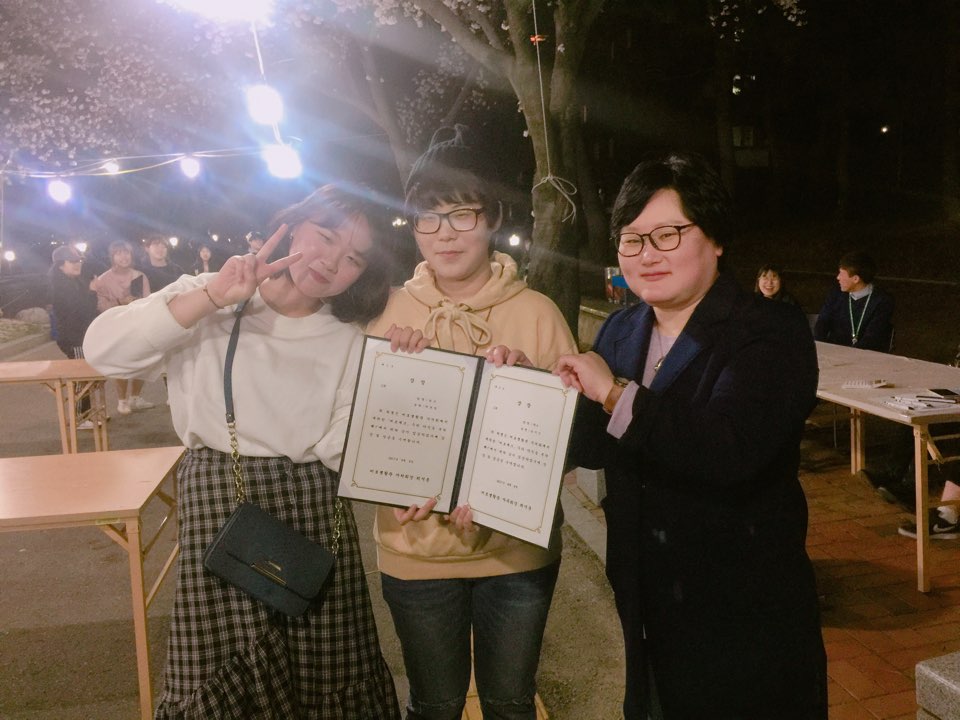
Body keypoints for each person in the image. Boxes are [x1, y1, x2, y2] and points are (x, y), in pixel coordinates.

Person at [83, 184, 402, 719]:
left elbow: (343, 444)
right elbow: (104, 353)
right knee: (220, 667)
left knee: (326, 671)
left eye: (353, 259)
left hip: (314, 508)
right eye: (325, 237)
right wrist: (212, 297)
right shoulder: (210, 294)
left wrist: (407, 479)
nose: (331, 262)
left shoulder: (349, 335)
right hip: (220, 505)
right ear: (293, 227)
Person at [554, 151, 827, 719]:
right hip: (643, 597)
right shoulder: (622, 328)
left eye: (668, 234)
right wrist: (526, 391)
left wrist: (614, 394)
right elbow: (593, 444)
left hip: (741, 608)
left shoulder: (767, 330)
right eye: (632, 240)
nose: (646, 255)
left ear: (717, 239)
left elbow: (729, 448)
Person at [365, 124, 578, 720]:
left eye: (462, 214)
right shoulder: (387, 313)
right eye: (428, 218)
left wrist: (531, 386)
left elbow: (569, 443)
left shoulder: (538, 314)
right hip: (414, 551)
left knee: (510, 703)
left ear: (493, 218)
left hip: (517, 556)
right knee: (434, 705)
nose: (445, 233)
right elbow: (360, 433)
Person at [92, 239, 153, 414]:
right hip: (115, 326)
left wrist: (138, 303)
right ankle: (122, 400)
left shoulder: (140, 276)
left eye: (126, 252)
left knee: (141, 361)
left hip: (137, 324)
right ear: (112, 256)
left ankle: (135, 397)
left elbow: (148, 300)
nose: (123, 257)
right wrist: (120, 302)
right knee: (121, 363)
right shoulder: (103, 279)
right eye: (118, 253)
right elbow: (100, 306)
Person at [48, 244, 99, 428]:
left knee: (86, 374)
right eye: (73, 261)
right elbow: (82, 310)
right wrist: (92, 291)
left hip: (80, 335)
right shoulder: (61, 286)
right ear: (61, 265)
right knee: (81, 376)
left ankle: (86, 414)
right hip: (74, 338)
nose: (78, 264)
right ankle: (79, 417)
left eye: (79, 260)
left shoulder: (74, 282)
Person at [813, 250, 894, 352]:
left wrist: (851, 354)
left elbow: (872, 338)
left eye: (841, 274)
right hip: (833, 352)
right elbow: (822, 323)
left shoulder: (882, 301)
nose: (838, 277)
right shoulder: (836, 293)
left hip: (865, 355)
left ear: (855, 279)